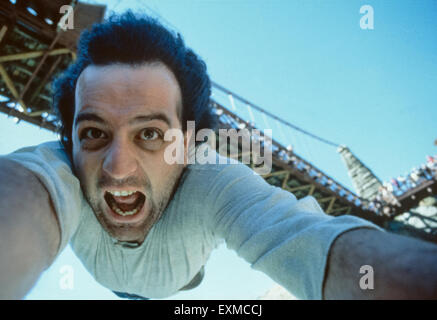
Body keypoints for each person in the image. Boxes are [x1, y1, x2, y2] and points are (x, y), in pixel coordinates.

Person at [1, 12, 437, 300]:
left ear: (190, 145)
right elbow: (23, 191)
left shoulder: (214, 178)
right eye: (93, 133)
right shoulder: (61, 167)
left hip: (183, 283)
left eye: (151, 133)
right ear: (71, 143)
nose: (118, 166)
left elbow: (306, 238)